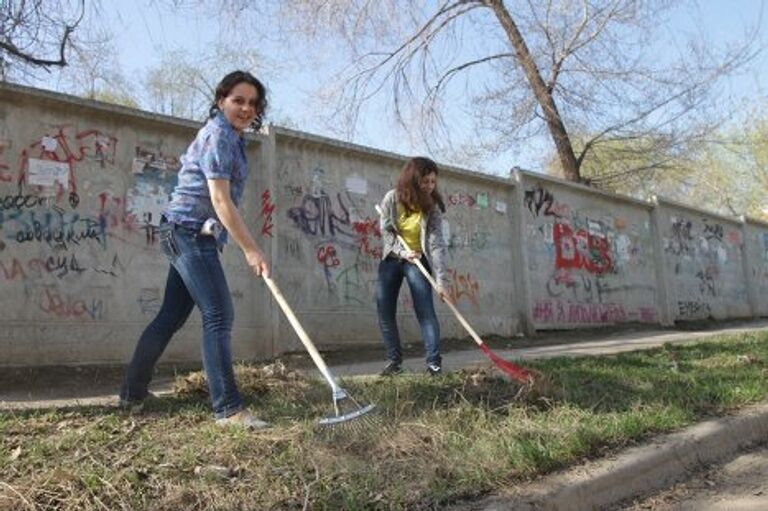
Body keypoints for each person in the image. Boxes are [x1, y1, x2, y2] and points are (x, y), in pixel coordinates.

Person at [120, 70, 271, 429]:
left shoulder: (232, 139)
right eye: (238, 100)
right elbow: (220, 200)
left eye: (252, 103)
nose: (246, 108)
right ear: (221, 100)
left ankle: (131, 394)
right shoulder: (218, 135)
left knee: (169, 317)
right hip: (188, 233)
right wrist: (251, 249)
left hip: (189, 233)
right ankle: (229, 409)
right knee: (218, 314)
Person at [376, 156, 451, 377]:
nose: (429, 186)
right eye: (425, 181)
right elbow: (386, 233)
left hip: (418, 260)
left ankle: (434, 363)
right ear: (412, 179)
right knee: (384, 310)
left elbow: (436, 244)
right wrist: (402, 252)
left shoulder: (432, 207)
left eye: (433, 182)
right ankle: (393, 361)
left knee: (425, 311)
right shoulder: (392, 198)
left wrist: (441, 281)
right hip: (392, 258)